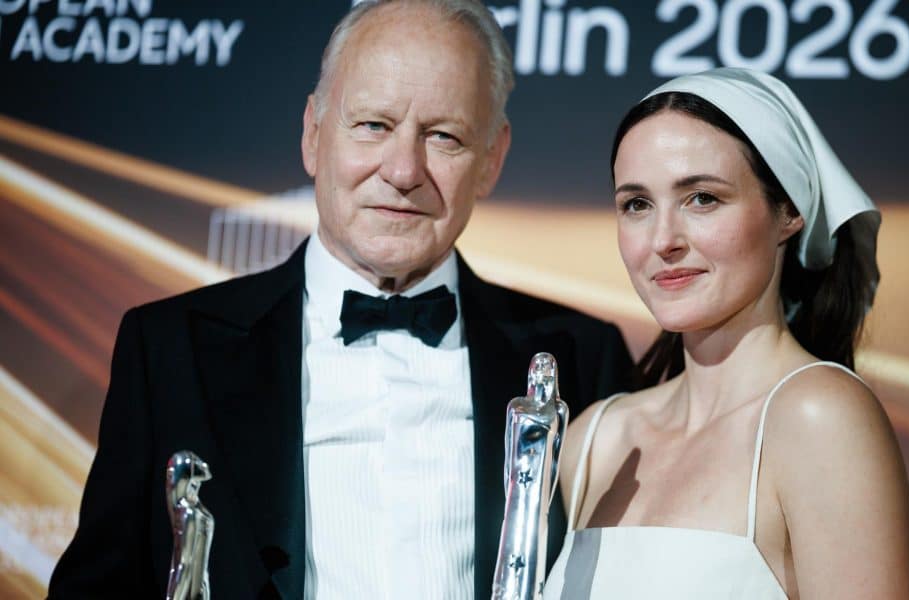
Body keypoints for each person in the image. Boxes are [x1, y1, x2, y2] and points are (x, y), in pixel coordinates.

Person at [47, 1, 633, 598]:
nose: (404, 170)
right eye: (374, 125)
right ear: (313, 135)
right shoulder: (172, 350)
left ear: (491, 160)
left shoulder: (583, 359)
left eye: (444, 136)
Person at [543, 68, 909, 598]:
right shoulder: (595, 439)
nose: (663, 240)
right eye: (637, 204)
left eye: (702, 198)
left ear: (788, 209)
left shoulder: (818, 417)